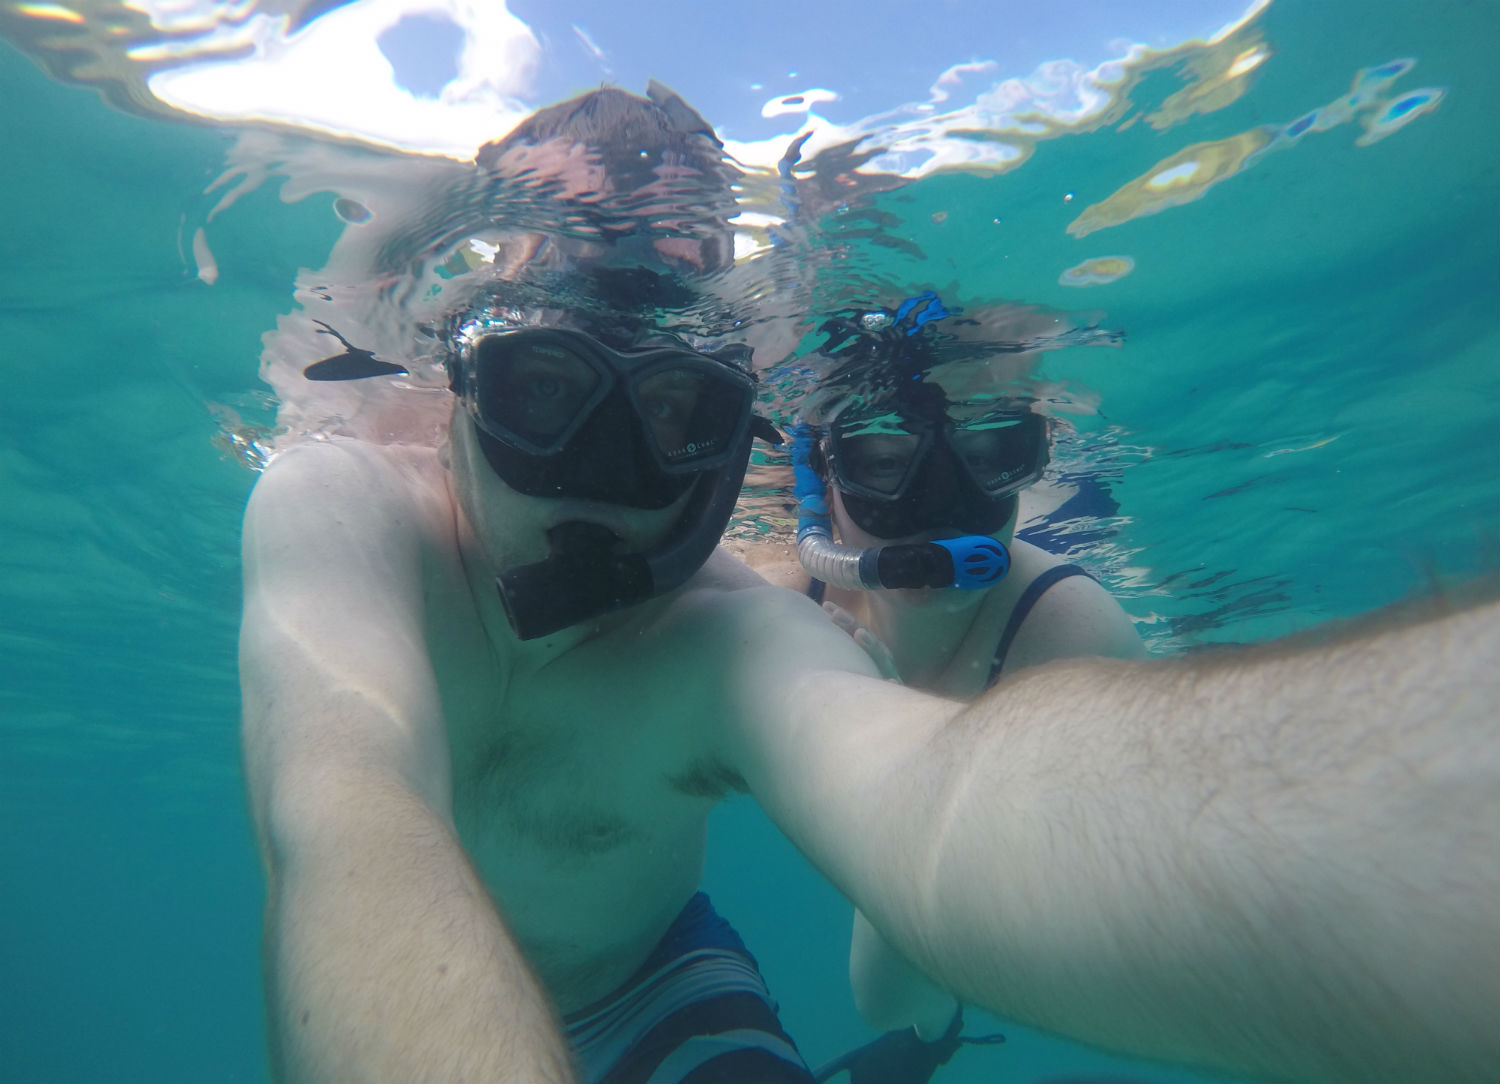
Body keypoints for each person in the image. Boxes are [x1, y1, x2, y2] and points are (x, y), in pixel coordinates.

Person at [239, 84, 1500, 1084]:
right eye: (546, 395)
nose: (602, 489)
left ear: (734, 436)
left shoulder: (723, 638)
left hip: (656, 979)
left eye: (677, 414)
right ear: (460, 385)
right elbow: (348, 815)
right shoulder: (348, 513)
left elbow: (939, 802)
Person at [740, 298, 1146, 1081]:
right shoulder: (775, 592)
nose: (937, 509)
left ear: (1037, 454)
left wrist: (904, 755)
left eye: (993, 452)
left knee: (910, 1006)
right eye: (883, 460)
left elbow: (883, 1000)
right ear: (818, 472)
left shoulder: (1068, 638)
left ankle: (941, 1039)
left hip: (972, 893)